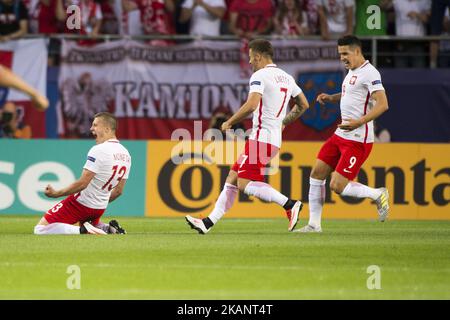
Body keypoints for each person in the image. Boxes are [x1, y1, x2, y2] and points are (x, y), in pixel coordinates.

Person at [185, 39, 310, 234]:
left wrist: (229, 122)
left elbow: (252, 105)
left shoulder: (260, 75)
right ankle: (208, 222)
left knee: (245, 182)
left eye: (251, 58)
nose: (250, 62)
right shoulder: (286, 77)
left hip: (262, 139)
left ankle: (289, 203)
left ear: (259, 57)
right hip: (270, 139)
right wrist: (283, 123)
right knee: (233, 177)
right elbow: (303, 104)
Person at [297, 35, 389, 233]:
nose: (342, 58)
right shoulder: (351, 71)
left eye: (345, 53)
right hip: (340, 135)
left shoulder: (370, 73)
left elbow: (383, 104)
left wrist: (359, 122)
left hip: (358, 139)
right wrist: (332, 97)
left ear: (357, 51)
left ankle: (377, 194)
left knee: (337, 186)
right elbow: (352, 94)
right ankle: (314, 225)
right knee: (316, 173)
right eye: (340, 54)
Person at [34, 112, 131, 235]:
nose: (91, 129)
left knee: (40, 229)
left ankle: (84, 230)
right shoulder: (126, 154)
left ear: (106, 128)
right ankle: (107, 228)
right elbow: (118, 191)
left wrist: (56, 194)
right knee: (91, 223)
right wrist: (99, 202)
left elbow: (83, 183)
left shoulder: (99, 150)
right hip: (100, 207)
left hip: (81, 204)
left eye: (95, 125)